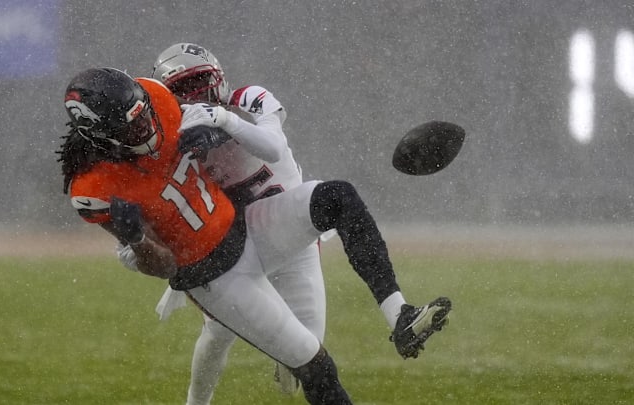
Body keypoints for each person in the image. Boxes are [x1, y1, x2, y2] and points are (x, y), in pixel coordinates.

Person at [57, 67, 452, 405]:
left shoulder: (158, 97)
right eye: (134, 126)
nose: (149, 126)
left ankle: (399, 315)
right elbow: (163, 266)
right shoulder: (94, 188)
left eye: (143, 113)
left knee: (337, 196)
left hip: (246, 226)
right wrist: (137, 240)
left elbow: (260, 144)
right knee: (316, 367)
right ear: (102, 138)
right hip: (213, 277)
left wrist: (220, 124)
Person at [120, 42, 324, 402]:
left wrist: (224, 122)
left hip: (286, 237)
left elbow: (273, 146)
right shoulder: (172, 147)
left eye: (201, 82)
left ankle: (291, 364)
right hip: (234, 246)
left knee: (310, 350)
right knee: (217, 333)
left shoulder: (247, 104)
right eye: (184, 89)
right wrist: (161, 261)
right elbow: (175, 219)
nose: (197, 96)